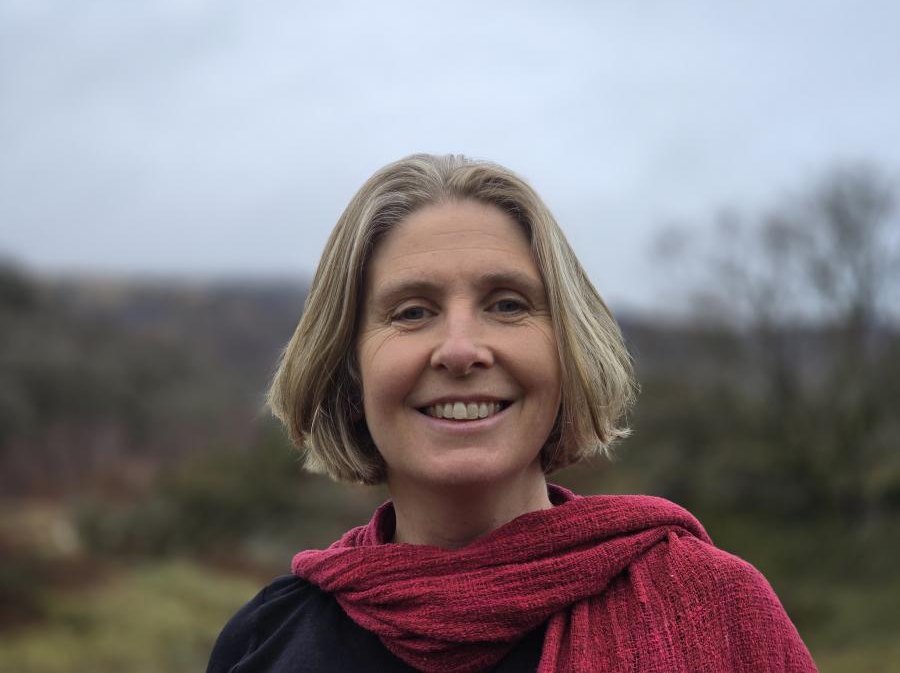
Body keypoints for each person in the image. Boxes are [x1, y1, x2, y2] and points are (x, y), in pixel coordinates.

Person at [206, 154, 817, 672]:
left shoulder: (718, 609)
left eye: (506, 304)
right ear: (348, 369)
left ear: (568, 350)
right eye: (413, 312)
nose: (463, 350)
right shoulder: (265, 644)